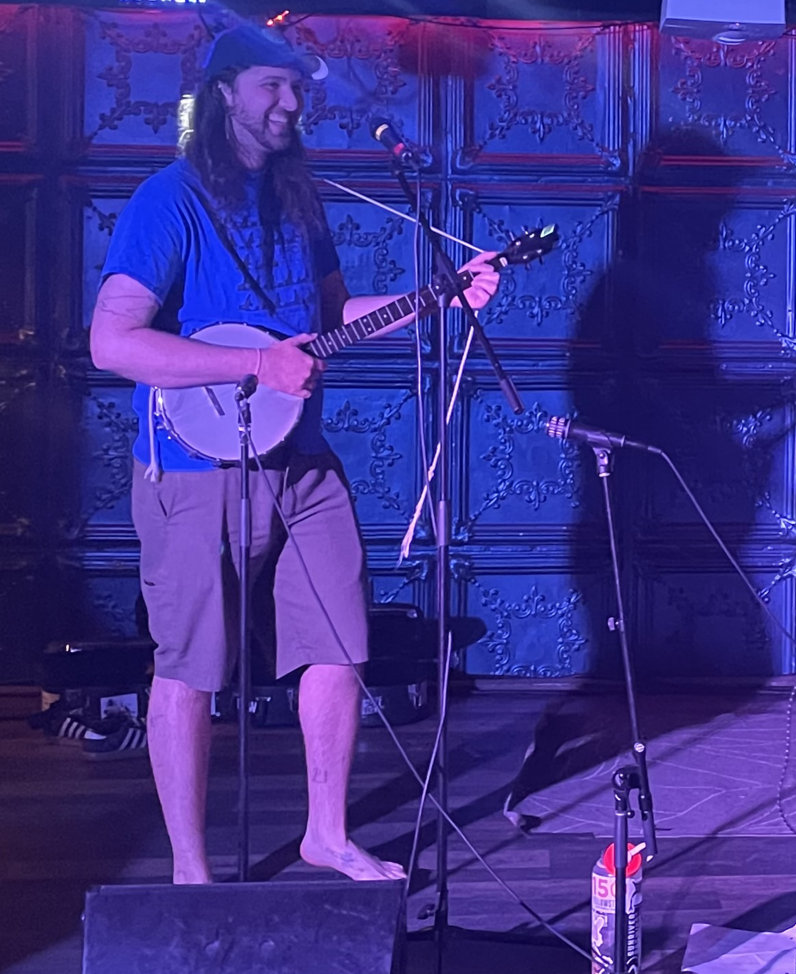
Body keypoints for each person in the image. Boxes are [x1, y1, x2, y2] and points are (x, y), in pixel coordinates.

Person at [88, 24, 499, 884]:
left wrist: (438, 298)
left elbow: (333, 316)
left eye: (297, 89)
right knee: (191, 664)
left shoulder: (298, 201)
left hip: (301, 460)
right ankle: (192, 869)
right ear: (225, 93)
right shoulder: (169, 201)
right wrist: (253, 364)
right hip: (195, 469)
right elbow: (113, 341)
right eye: (272, 86)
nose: (290, 103)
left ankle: (327, 835)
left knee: (340, 641)